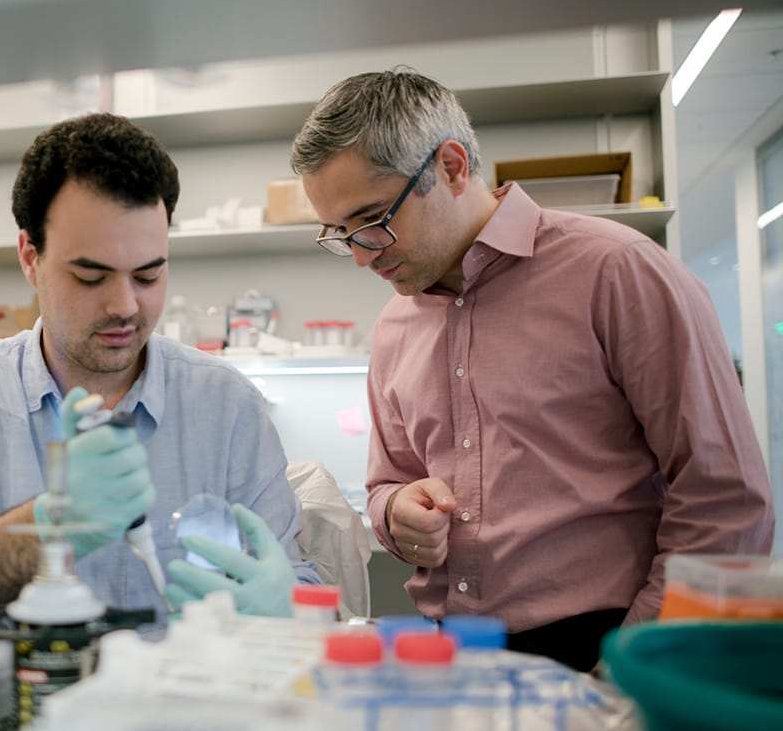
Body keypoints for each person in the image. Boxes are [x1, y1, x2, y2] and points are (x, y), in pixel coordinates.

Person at [289, 69, 774, 671]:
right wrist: (396, 514)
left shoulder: (618, 273)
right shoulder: (394, 327)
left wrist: (636, 664)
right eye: (341, 234)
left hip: (612, 646)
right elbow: (389, 484)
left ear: (451, 166)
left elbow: (725, 501)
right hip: (453, 655)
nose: (361, 255)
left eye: (373, 219)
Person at [0, 112, 317, 621]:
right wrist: (50, 527)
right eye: (90, 276)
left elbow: (298, 583)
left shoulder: (227, 405)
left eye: (148, 275)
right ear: (29, 257)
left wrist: (289, 607)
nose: (124, 305)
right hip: (20, 699)